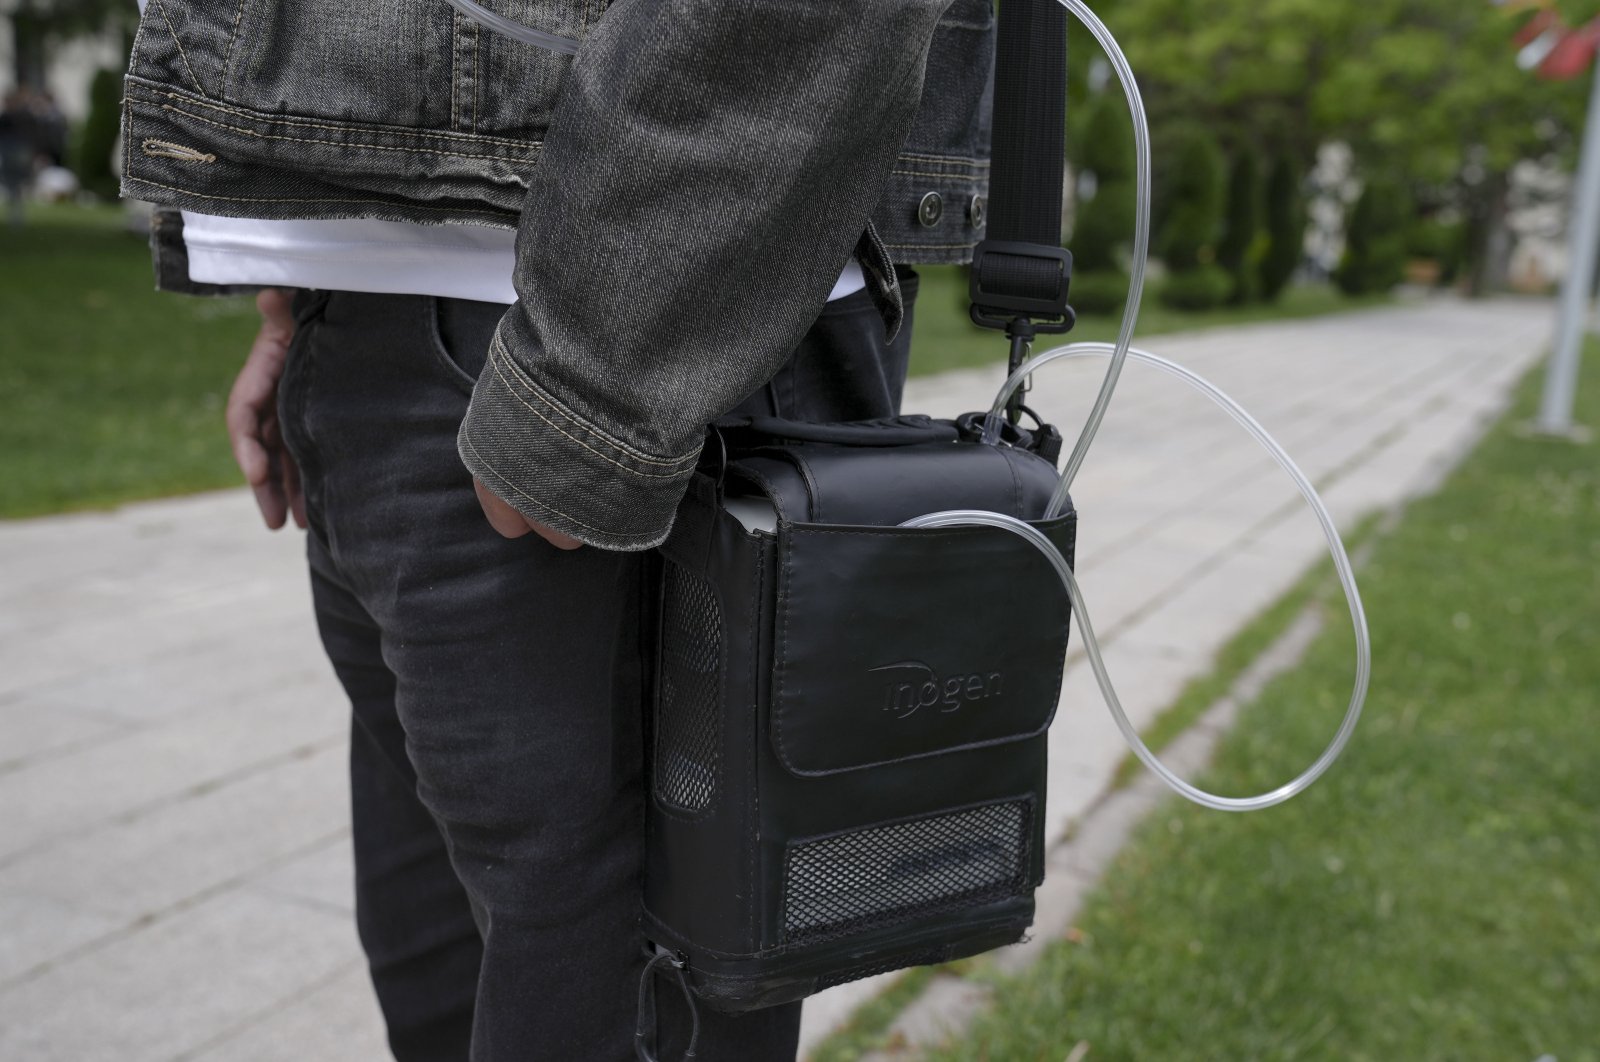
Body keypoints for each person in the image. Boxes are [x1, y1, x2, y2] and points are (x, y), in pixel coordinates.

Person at [121, 1, 995, 1058]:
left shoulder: (602, 363)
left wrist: (595, 388)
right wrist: (294, 286)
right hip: (416, 328)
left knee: (623, 993)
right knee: (450, 994)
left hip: (621, 328)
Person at [0, 88, 38, 228]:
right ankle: (15, 214)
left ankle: (16, 215)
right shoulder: (21, 116)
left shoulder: (18, 117)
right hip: (14, 154)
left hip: (16, 154)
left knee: (15, 185)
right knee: (13, 186)